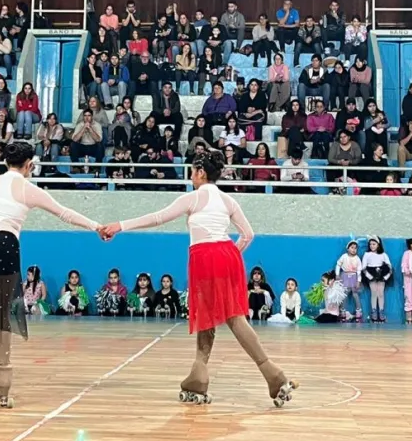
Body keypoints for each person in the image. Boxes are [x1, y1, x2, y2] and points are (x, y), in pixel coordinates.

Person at [99, 150, 298, 407]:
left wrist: (119, 225)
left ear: (201, 172)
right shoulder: (228, 201)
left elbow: (158, 218)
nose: (191, 176)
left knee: (208, 315)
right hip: (228, 254)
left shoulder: (193, 198)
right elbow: (248, 235)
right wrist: (227, 256)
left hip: (205, 257)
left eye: (192, 171)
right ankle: (268, 375)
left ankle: (206, 375)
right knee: (234, 317)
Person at [0, 142, 101, 406]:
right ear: (29, 165)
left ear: (5, 163)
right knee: (2, 315)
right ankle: (1, 390)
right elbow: (65, 214)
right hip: (2, 244)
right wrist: (96, 226)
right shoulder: (28, 188)